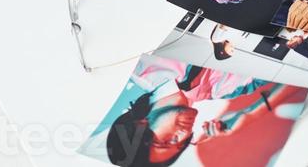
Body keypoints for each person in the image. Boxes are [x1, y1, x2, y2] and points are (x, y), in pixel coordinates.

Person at [106, 61, 270, 166]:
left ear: (139, 124)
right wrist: (251, 114)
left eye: (165, 141)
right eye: (180, 144)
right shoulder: (225, 89)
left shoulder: (138, 66)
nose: (184, 133)